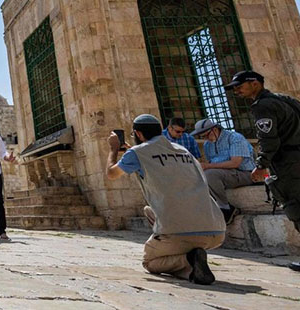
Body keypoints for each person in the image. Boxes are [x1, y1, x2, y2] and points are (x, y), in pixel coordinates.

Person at [107, 114, 225, 285]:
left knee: (150, 263)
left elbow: (111, 173)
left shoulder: (137, 153)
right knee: (149, 210)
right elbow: (159, 159)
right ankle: (192, 266)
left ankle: (188, 259)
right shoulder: (183, 151)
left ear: (138, 134)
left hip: (179, 232)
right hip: (216, 232)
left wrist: (113, 149)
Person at [225, 70, 300, 272]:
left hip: (288, 164)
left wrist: (261, 164)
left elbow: (269, 140)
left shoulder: (263, 106)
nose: (237, 91)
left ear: (255, 84)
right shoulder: (285, 100)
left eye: (239, 86)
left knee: (296, 207)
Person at [190, 118, 255, 224]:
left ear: (214, 129)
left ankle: (226, 208)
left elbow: (235, 163)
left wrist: (208, 166)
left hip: (245, 173)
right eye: (202, 137)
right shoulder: (207, 145)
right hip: (225, 174)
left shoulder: (234, 138)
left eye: (207, 135)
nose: (206, 139)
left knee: (210, 174)